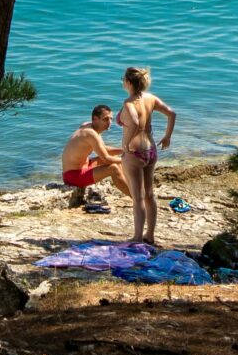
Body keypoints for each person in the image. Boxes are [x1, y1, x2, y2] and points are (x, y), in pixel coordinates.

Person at [114, 65, 175, 247]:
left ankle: (137, 238)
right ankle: (150, 235)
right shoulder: (150, 98)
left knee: (138, 197)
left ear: (128, 82)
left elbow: (133, 122)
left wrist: (125, 143)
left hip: (134, 153)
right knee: (149, 194)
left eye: (123, 79)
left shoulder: (128, 103)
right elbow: (172, 113)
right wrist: (167, 136)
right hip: (151, 150)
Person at [59, 104, 129, 214]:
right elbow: (106, 159)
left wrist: (125, 151)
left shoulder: (88, 126)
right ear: (95, 119)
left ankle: (130, 187)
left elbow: (104, 149)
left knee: (117, 159)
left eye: (111, 119)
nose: (109, 122)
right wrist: (128, 160)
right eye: (105, 119)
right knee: (113, 168)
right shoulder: (91, 133)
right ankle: (137, 197)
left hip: (83, 167)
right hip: (73, 176)